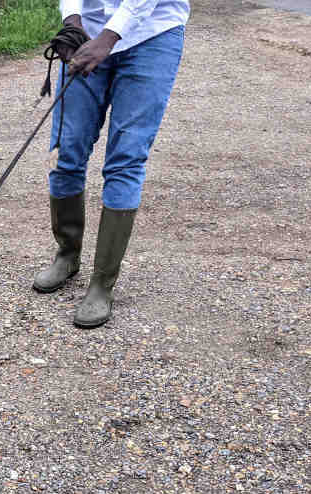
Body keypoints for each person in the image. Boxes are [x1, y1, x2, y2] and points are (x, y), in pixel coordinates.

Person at [32, 0, 189, 327]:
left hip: (152, 35)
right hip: (88, 32)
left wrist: (109, 37)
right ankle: (67, 254)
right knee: (65, 150)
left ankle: (102, 283)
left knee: (125, 160)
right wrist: (73, 22)